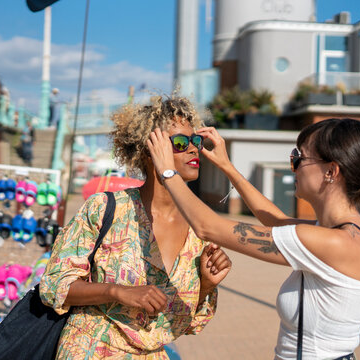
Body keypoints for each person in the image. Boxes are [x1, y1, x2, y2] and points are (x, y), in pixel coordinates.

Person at [147, 118, 360, 359]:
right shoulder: (346, 232)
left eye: (299, 158)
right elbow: (277, 221)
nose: (293, 167)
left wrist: (168, 171)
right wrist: (228, 167)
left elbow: (208, 227)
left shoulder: (334, 243)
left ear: (331, 172)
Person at [40, 95, 232, 359]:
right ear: (149, 150)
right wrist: (116, 291)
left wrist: (207, 286)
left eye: (195, 141)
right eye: (180, 142)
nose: (193, 149)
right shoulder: (106, 208)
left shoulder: (199, 229)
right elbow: (54, 286)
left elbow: (188, 324)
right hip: (91, 349)